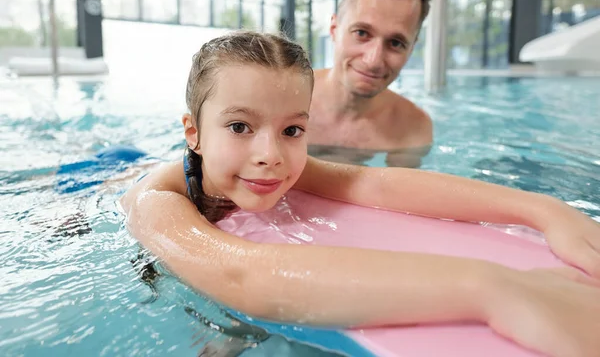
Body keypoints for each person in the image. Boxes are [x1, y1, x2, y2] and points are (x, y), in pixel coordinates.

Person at [120, 31, 600, 357]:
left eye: (292, 129)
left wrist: (543, 210)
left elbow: (376, 184)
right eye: (240, 126)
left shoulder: (273, 163)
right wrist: (496, 288)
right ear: (193, 133)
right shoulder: (156, 202)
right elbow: (238, 272)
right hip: (95, 189)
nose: (270, 153)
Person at [308, 0, 433, 167]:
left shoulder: (412, 127)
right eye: (362, 33)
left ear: (411, 49)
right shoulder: (282, 98)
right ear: (334, 29)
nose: (373, 60)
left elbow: (399, 196)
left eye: (395, 43)